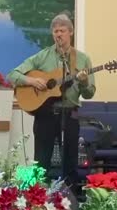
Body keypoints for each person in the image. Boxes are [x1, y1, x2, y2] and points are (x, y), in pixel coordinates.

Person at [7, 12, 96, 180]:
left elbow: (89, 93)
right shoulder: (43, 56)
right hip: (45, 115)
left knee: (70, 164)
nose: (59, 34)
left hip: (69, 115)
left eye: (62, 30)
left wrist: (83, 82)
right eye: (55, 31)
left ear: (71, 32)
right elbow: (13, 74)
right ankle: (39, 199)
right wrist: (32, 81)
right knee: (41, 164)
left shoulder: (82, 59)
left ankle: (70, 200)